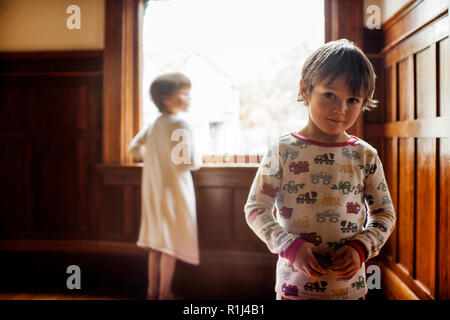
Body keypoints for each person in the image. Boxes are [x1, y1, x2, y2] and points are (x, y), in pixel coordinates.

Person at [244, 39, 396, 300]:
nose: (341, 109)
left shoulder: (365, 155)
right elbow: (256, 209)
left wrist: (361, 247)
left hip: (350, 292)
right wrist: (290, 247)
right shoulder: (281, 151)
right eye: (330, 95)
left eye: (353, 100)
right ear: (305, 89)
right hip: (294, 291)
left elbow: (385, 214)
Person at [128, 72, 202, 300]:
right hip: (175, 192)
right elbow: (188, 161)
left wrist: (152, 158)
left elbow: (133, 149)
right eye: (184, 94)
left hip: (154, 191)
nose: (189, 99)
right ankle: (164, 293)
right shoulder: (180, 123)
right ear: (168, 99)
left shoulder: (154, 124)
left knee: (157, 245)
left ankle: (152, 292)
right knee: (170, 245)